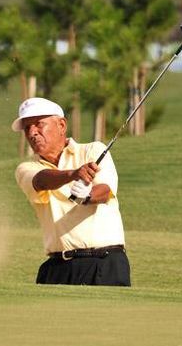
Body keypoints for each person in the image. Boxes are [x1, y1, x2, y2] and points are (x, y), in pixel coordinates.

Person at [12, 97, 131, 286]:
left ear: (61, 125)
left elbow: (105, 191)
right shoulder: (26, 168)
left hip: (104, 262)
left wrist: (87, 195)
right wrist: (73, 174)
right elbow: (41, 180)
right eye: (27, 128)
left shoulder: (92, 150)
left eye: (39, 124)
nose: (32, 132)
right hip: (58, 267)